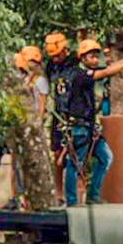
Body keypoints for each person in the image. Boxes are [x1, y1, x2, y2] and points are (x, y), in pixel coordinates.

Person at [61, 39, 123, 206]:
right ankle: (71, 201)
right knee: (74, 164)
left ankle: (92, 195)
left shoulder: (86, 73)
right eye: (91, 57)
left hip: (89, 128)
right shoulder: (80, 76)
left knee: (106, 157)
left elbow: (106, 69)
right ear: (82, 58)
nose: (95, 60)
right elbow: (105, 73)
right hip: (80, 128)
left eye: (97, 56)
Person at [44, 32, 78, 203]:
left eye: (58, 55)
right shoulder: (51, 66)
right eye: (53, 56)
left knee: (75, 154)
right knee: (57, 153)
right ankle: (58, 193)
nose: (55, 58)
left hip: (75, 114)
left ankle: (76, 192)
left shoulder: (75, 62)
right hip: (59, 114)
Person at [15, 45, 49, 118]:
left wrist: (40, 121)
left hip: (35, 116)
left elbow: (42, 103)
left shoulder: (40, 80)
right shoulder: (26, 78)